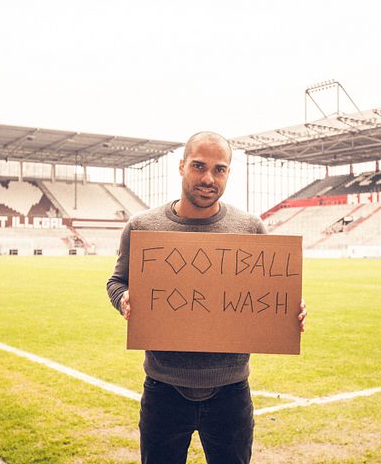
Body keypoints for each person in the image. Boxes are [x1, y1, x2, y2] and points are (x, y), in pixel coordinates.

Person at [107, 131, 307, 464]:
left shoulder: (250, 227)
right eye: (199, 166)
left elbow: (265, 295)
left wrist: (290, 311)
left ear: (228, 173)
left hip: (232, 393)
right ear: (182, 166)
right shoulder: (143, 226)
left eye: (219, 169)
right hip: (163, 390)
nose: (208, 178)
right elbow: (116, 281)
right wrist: (124, 297)